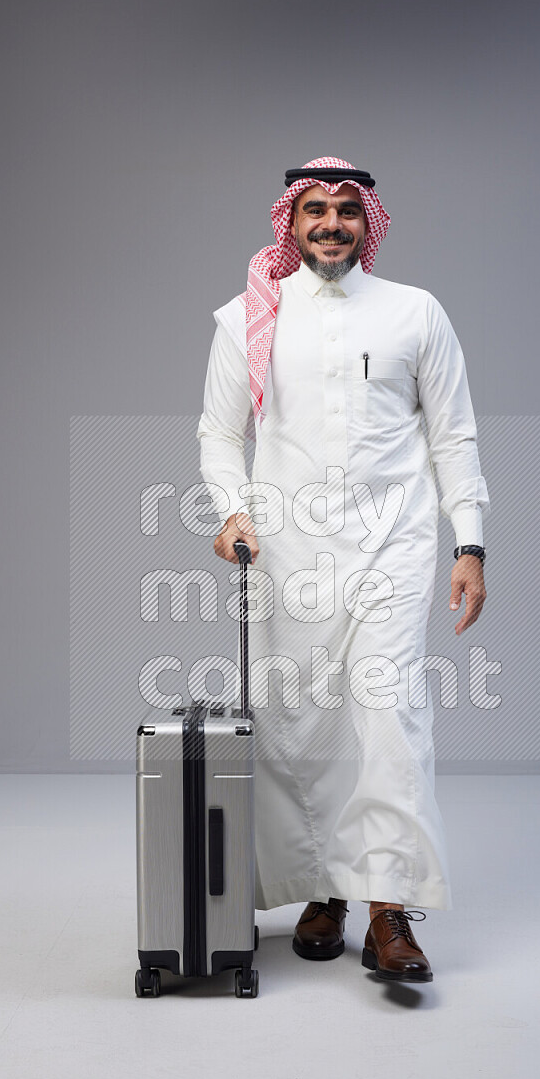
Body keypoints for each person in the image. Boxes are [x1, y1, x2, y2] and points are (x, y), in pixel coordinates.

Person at [197, 156, 490, 984]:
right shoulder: (249, 317)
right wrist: (229, 510)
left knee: (391, 717)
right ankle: (326, 891)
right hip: (287, 552)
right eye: (315, 210)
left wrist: (469, 543)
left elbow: (454, 435)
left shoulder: (415, 313)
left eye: (347, 210)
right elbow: (220, 434)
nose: (331, 223)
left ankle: (389, 909)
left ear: (370, 223)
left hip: (392, 547)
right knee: (303, 724)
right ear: (290, 224)